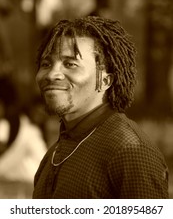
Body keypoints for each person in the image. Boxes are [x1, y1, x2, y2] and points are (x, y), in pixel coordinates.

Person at [33, 16, 168, 199]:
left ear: (105, 80)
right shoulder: (56, 152)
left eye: (70, 64)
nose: (52, 74)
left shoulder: (130, 151)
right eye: (46, 64)